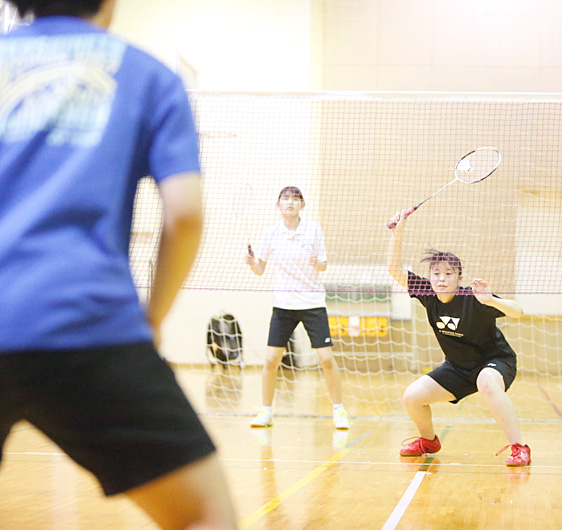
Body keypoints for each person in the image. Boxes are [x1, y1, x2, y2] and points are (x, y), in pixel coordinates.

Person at [0, 1, 237, 529]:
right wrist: (151, 320)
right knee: (204, 515)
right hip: (88, 324)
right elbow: (186, 214)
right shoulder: (147, 74)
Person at [387, 211, 531, 466]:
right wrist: (398, 232)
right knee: (412, 397)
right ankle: (428, 440)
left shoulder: (473, 298)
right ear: (430, 277)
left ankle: (519, 448)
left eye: (448, 274)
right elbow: (393, 269)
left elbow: (518, 311)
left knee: (486, 381)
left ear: (459, 278)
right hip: (458, 368)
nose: (441, 279)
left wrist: (491, 300)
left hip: (495, 362)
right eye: (436, 274)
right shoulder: (427, 294)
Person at [245, 186, 350, 430]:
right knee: (271, 360)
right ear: (278, 205)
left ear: (302, 204)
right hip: (283, 305)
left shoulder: (313, 229)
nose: (290, 202)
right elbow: (259, 269)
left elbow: (323, 264)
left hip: (312, 303)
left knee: (325, 358)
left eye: (295, 198)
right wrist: (252, 263)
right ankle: (267, 411)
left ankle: (339, 411)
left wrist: (318, 262)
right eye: (285, 198)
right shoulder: (271, 233)